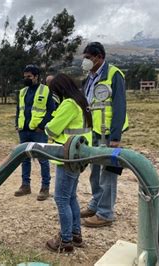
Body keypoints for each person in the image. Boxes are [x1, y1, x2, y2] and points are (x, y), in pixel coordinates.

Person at [80, 42, 128, 227]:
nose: (86, 61)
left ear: (99, 57)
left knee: (108, 173)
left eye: (88, 58)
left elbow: (119, 106)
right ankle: (96, 204)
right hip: (94, 131)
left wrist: (116, 137)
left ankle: (106, 213)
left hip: (108, 133)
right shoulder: (90, 77)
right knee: (95, 171)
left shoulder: (114, 75)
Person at [44, 73, 92, 253]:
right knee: (70, 196)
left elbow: (51, 128)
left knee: (61, 198)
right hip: (79, 155)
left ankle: (65, 241)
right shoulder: (81, 101)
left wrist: (52, 126)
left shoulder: (69, 104)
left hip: (67, 156)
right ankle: (76, 234)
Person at [14, 64, 55, 201]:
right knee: (24, 158)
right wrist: (17, 124)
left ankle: (45, 187)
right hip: (24, 131)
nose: (26, 79)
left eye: (29, 77)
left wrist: (42, 126)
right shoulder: (22, 92)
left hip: (38, 131)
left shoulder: (46, 90)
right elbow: (19, 109)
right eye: (25, 77)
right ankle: (25, 185)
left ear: (36, 77)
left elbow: (51, 111)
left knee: (42, 159)